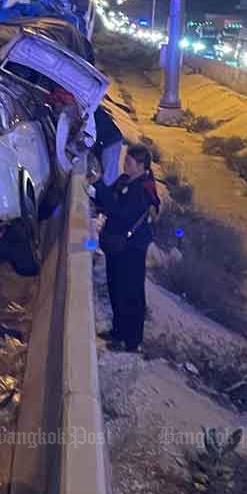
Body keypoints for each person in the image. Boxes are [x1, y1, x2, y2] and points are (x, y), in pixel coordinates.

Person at [94, 143, 161, 351]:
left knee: (130, 294)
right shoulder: (125, 180)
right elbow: (109, 203)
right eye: (125, 160)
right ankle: (118, 331)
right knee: (115, 287)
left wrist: (100, 188)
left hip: (132, 248)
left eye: (129, 162)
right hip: (117, 245)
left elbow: (120, 214)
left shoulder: (142, 190)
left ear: (141, 166)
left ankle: (131, 342)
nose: (125, 165)